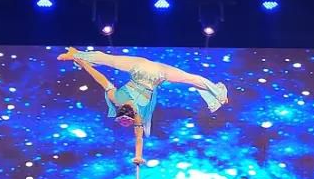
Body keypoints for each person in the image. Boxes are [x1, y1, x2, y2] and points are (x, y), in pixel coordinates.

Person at [57, 47, 228, 140]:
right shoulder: (121, 102)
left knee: (110, 59)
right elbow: (101, 78)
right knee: (190, 78)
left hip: (146, 71)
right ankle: (76, 53)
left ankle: (76, 54)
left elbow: (101, 77)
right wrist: (82, 63)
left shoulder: (122, 103)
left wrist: (82, 62)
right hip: (154, 71)